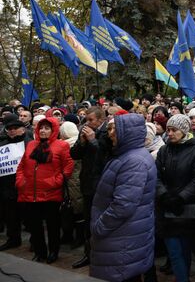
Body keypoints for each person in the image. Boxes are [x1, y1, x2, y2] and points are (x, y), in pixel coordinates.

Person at [90, 113, 157, 282]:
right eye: (110, 129)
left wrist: (99, 226)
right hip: (123, 236)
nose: (110, 133)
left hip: (121, 238)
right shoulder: (127, 155)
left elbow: (123, 205)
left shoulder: (134, 161)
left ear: (128, 132)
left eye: (115, 129)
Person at [156, 114, 195, 282]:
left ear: (184, 131)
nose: (169, 133)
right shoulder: (164, 150)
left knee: (185, 250)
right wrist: (164, 195)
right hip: (166, 207)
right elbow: (156, 177)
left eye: (173, 130)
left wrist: (181, 198)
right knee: (174, 251)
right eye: (168, 129)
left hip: (186, 208)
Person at [16, 117, 74, 263]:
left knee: (53, 226)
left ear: (54, 130)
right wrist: (21, 181)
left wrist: (56, 181)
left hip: (50, 193)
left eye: (47, 128)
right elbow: (22, 165)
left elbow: (68, 167)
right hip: (30, 192)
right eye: (41, 128)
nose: (43, 130)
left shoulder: (61, 145)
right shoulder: (31, 144)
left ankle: (53, 252)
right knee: (35, 227)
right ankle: (40, 252)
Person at [69, 106, 111, 268]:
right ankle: (89, 254)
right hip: (87, 183)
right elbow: (74, 155)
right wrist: (82, 142)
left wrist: (93, 140)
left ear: (101, 120)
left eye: (91, 120)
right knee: (88, 222)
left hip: (101, 185)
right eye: (86, 119)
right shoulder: (85, 133)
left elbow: (103, 155)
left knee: (100, 222)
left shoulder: (107, 133)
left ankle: (103, 254)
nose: (87, 123)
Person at [0, 115, 32, 251]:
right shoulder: (2, 145)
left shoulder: (30, 143)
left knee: (30, 217)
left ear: (23, 129)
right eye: (9, 129)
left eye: (15, 128)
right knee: (11, 216)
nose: (12, 131)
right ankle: (13, 239)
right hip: (8, 186)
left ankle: (35, 242)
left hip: (26, 186)